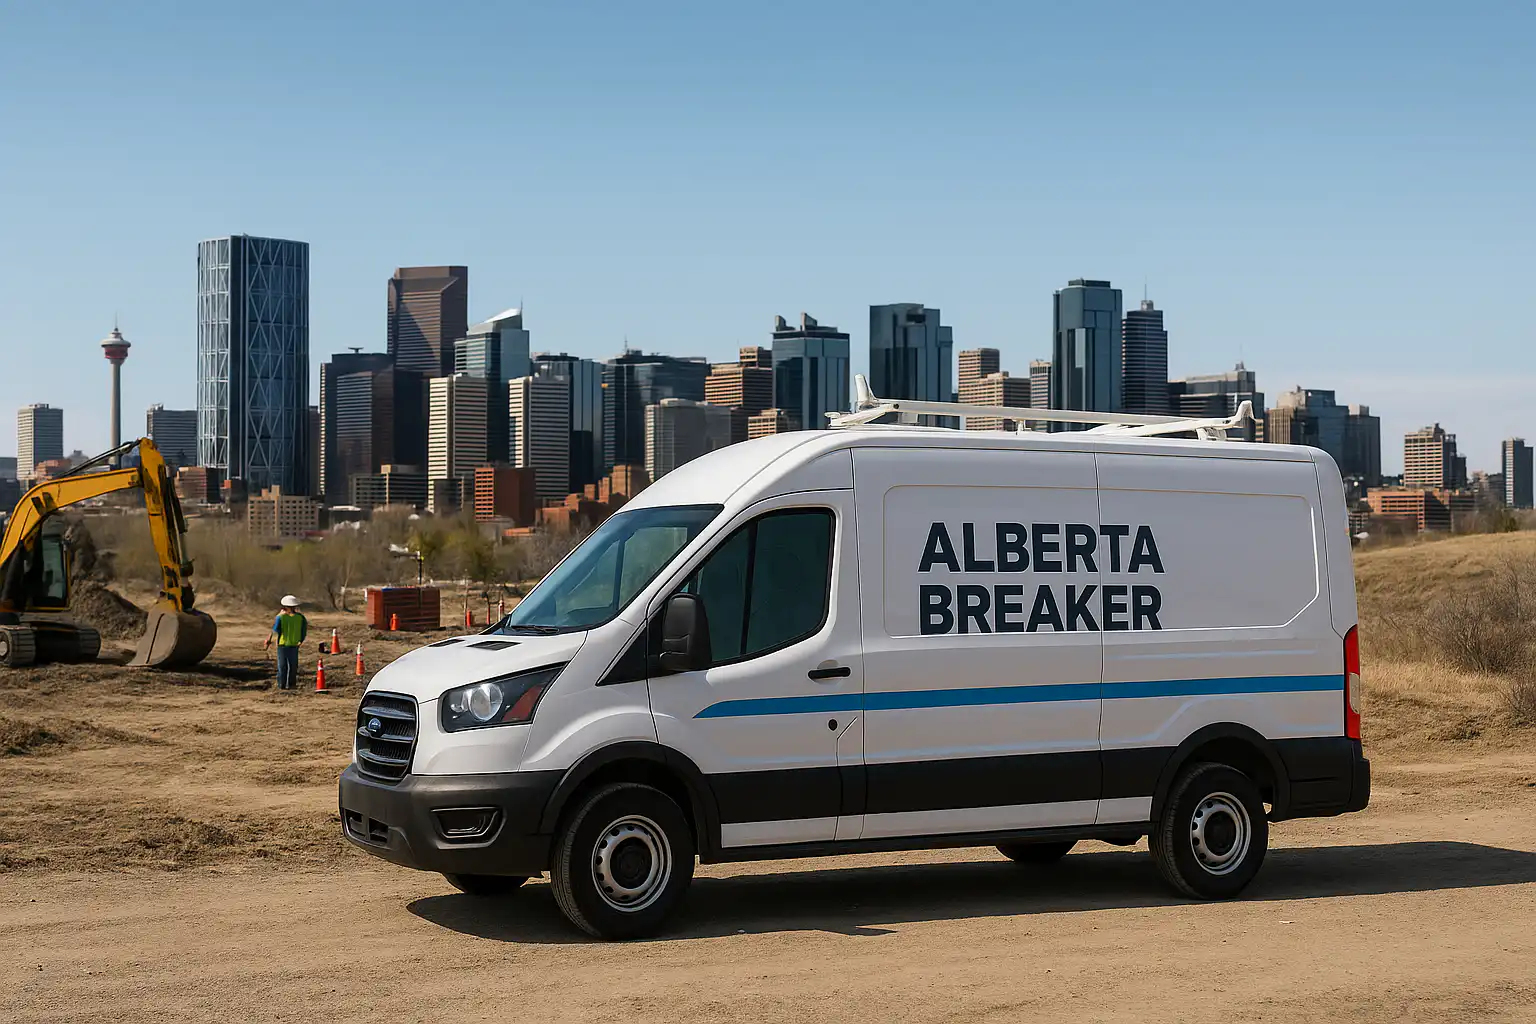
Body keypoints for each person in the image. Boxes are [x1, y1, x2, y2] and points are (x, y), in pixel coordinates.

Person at [263, 595, 308, 690]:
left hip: (282, 645)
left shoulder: (281, 618)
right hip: (295, 644)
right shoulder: (301, 618)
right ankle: (292, 685)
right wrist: (301, 641)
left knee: (282, 667)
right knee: (293, 667)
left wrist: (269, 640)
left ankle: (281, 686)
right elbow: (303, 632)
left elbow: (275, 630)